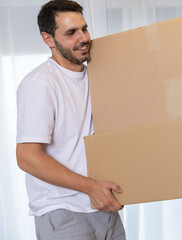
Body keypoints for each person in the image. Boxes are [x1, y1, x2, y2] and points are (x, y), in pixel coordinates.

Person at [16, 0, 126, 239]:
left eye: (84, 29)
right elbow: (27, 158)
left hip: (104, 206)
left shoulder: (98, 75)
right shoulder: (40, 84)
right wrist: (91, 188)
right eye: (71, 33)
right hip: (64, 212)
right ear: (48, 39)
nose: (83, 38)